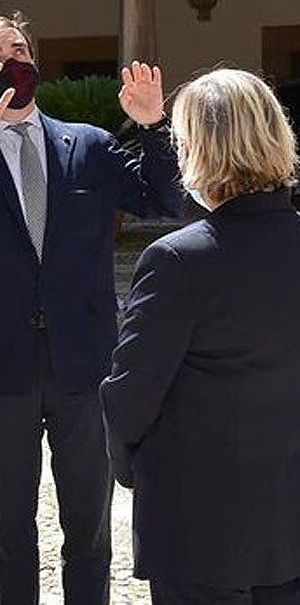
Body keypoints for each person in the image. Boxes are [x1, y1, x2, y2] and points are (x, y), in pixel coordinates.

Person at [0, 11, 182, 605]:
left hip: (84, 363)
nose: (15, 58)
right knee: (10, 529)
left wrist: (154, 127)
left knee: (88, 527)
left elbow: (164, 201)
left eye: (21, 47)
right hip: (2, 365)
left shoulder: (88, 144)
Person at [101, 68, 300, 605]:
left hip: (201, 525)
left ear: (202, 152)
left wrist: (133, 469)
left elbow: (129, 398)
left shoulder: (178, 260)